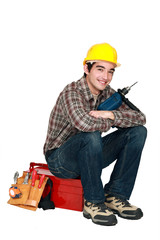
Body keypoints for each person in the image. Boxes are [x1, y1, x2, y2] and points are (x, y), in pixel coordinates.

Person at [43, 43, 147, 226]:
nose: (105, 77)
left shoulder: (108, 94)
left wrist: (110, 114)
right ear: (86, 68)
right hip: (60, 161)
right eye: (100, 69)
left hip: (90, 155)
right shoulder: (72, 92)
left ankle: (115, 196)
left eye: (110, 71)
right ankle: (93, 202)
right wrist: (112, 122)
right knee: (90, 135)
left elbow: (140, 118)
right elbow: (83, 123)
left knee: (138, 132)